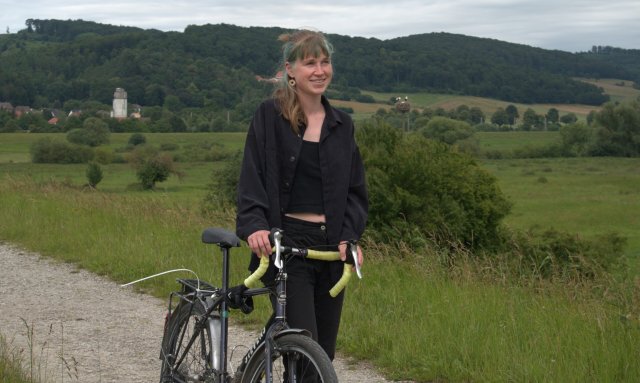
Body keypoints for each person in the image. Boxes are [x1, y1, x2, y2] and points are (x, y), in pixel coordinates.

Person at [235, 29, 368, 362]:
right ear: (289, 70)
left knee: (323, 355)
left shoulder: (342, 125)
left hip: (330, 251)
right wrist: (254, 225)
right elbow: (252, 177)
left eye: (325, 62)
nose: (320, 70)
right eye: (310, 63)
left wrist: (349, 237)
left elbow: (354, 191)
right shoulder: (270, 116)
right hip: (286, 246)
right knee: (306, 353)